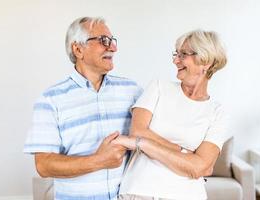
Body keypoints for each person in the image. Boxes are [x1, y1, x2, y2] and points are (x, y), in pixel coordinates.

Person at [23, 17, 142, 200]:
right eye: (104, 41)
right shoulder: (50, 100)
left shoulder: (133, 91)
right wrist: (100, 160)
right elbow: (44, 165)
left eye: (112, 41)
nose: (113, 48)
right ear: (78, 49)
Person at [113, 30, 229, 200]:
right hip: (140, 190)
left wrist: (142, 144)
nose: (176, 60)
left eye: (183, 54)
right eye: (176, 54)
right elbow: (137, 132)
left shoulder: (217, 112)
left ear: (206, 61)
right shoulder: (158, 87)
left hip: (186, 195)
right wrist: (183, 152)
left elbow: (199, 168)